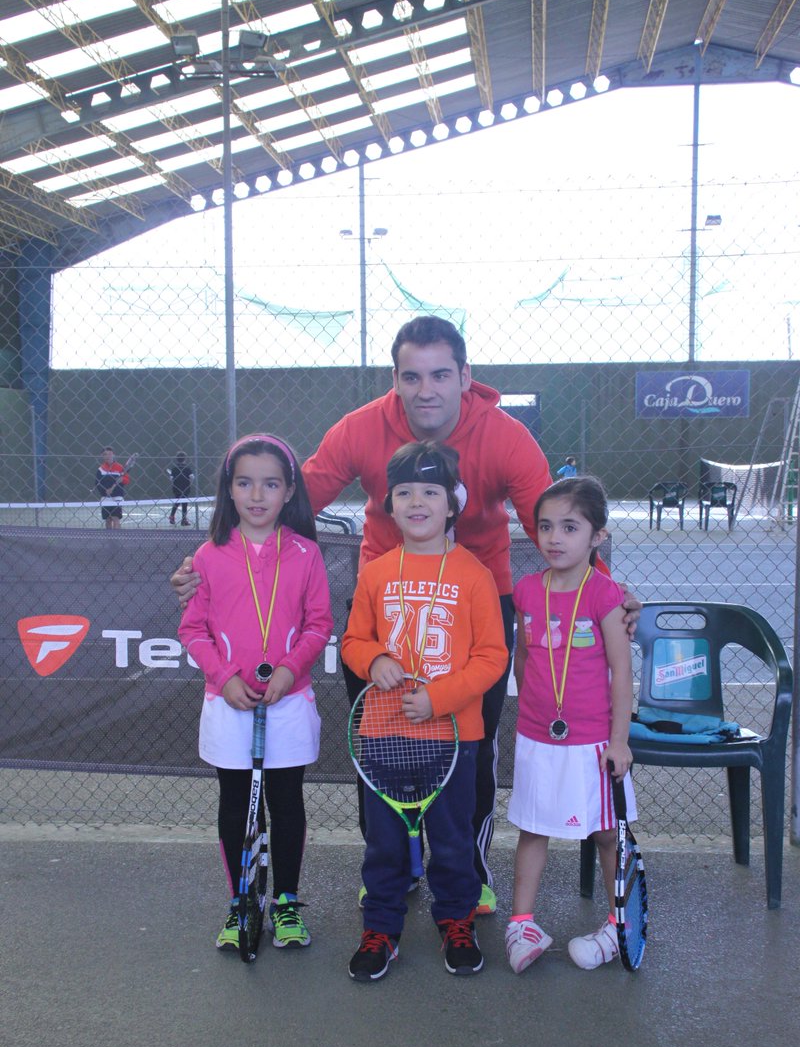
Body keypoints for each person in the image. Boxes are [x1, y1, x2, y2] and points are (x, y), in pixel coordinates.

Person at [171, 316, 639, 912]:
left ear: (466, 377)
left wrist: (605, 596)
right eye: (411, 376)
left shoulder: (507, 438)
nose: (426, 390)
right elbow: (285, 496)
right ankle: (389, 869)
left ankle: (466, 871)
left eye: (441, 375)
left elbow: (560, 531)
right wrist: (209, 563)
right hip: (383, 604)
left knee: (468, 746)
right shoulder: (361, 428)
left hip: (477, 600)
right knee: (383, 746)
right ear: (395, 379)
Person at [341, 441, 507, 981]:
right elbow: (352, 642)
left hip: (453, 739)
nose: (418, 502)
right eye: (405, 492)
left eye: (431, 491)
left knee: (454, 844)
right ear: (389, 505)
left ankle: (455, 921)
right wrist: (375, 659)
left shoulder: (474, 575)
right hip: (385, 735)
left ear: (452, 503)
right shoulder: (375, 573)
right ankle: (381, 929)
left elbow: (492, 657)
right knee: (384, 845)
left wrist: (439, 698)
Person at [178, 434, 333, 953]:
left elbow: (319, 624)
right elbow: (193, 631)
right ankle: (241, 900)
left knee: (285, 802)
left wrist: (288, 671)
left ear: (289, 490)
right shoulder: (208, 555)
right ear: (229, 489)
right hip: (229, 703)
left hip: (288, 702)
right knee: (236, 805)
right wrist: (224, 678)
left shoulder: (307, 553)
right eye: (245, 483)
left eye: (270, 483)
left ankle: (285, 902)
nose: (257, 494)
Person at [504, 475, 635, 975]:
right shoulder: (526, 590)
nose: (554, 538)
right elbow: (524, 656)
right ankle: (521, 924)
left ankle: (618, 924)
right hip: (539, 736)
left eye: (570, 527)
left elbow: (621, 671)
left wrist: (619, 740)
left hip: (595, 740)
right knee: (533, 829)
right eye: (545, 526)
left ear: (597, 536)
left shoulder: (605, 595)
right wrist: (537, 710)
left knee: (605, 834)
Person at [95, 446, 129, 529]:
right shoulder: (100, 469)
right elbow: (97, 483)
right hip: (105, 498)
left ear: (113, 455)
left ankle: (116, 538)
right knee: (108, 520)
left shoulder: (120, 467)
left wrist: (122, 479)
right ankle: (109, 538)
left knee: (115, 518)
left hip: (117, 497)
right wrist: (105, 491)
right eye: (105, 454)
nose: (108, 456)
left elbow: (127, 480)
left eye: (110, 454)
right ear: (102, 456)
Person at [167, 451, 194, 526]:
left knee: (177, 502)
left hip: (176, 488)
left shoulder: (174, 469)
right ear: (185, 459)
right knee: (184, 503)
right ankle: (183, 520)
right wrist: (189, 483)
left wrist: (174, 484)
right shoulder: (187, 468)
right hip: (185, 488)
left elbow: (171, 478)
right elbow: (192, 477)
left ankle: (172, 516)